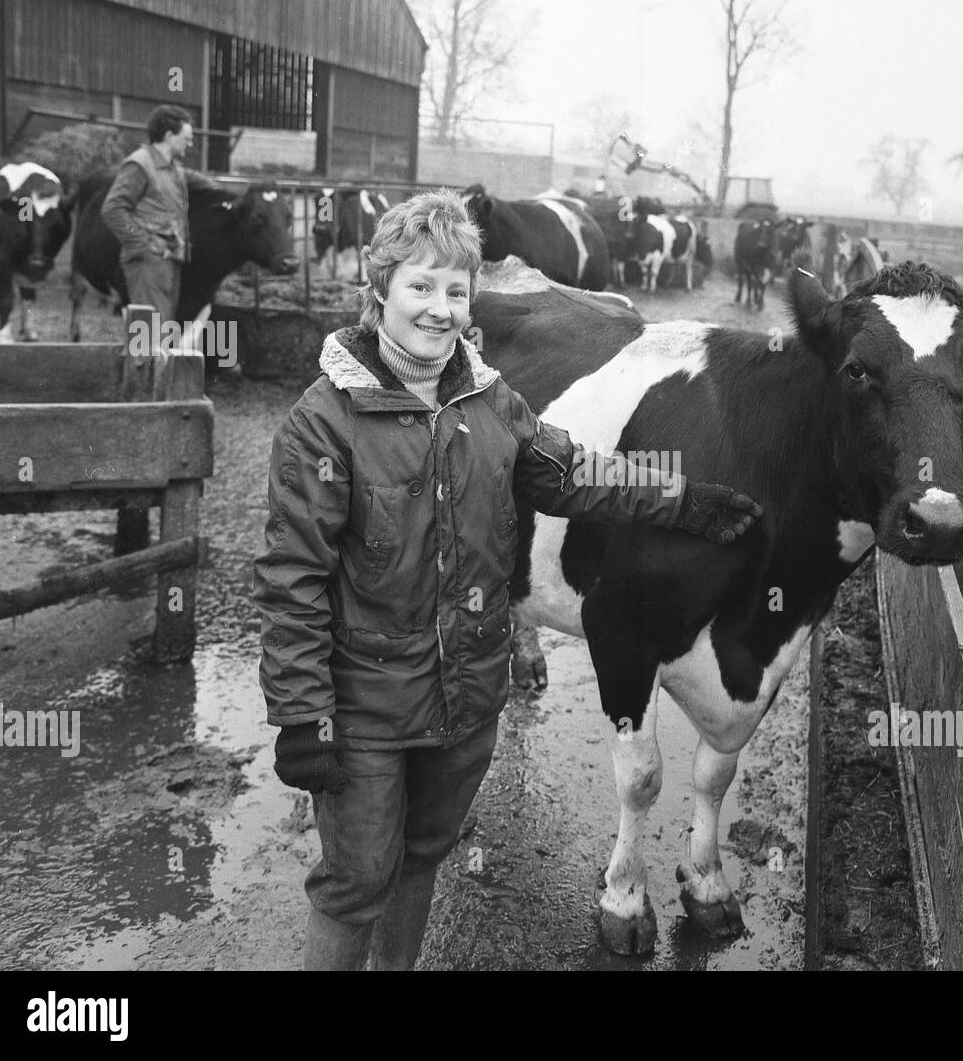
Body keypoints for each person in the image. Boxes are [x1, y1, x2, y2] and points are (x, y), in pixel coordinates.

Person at [253, 189, 762, 971]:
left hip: (465, 698)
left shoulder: (490, 403)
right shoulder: (324, 424)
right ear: (379, 289)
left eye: (456, 290)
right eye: (419, 286)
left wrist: (683, 499)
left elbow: (574, 472)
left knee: (424, 853)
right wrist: (300, 714)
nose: (439, 308)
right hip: (365, 706)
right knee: (355, 879)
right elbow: (292, 581)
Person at [100, 104, 218, 326]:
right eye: (186, 138)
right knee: (148, 331)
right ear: (169, 135)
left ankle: (150, 361)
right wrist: (141, 242)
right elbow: (112, 209)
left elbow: (194, 181)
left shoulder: (173, 169)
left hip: (167, 260)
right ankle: (141, 362)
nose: (190, 144)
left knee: (161, 329)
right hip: (147, 261)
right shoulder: (140, 164)